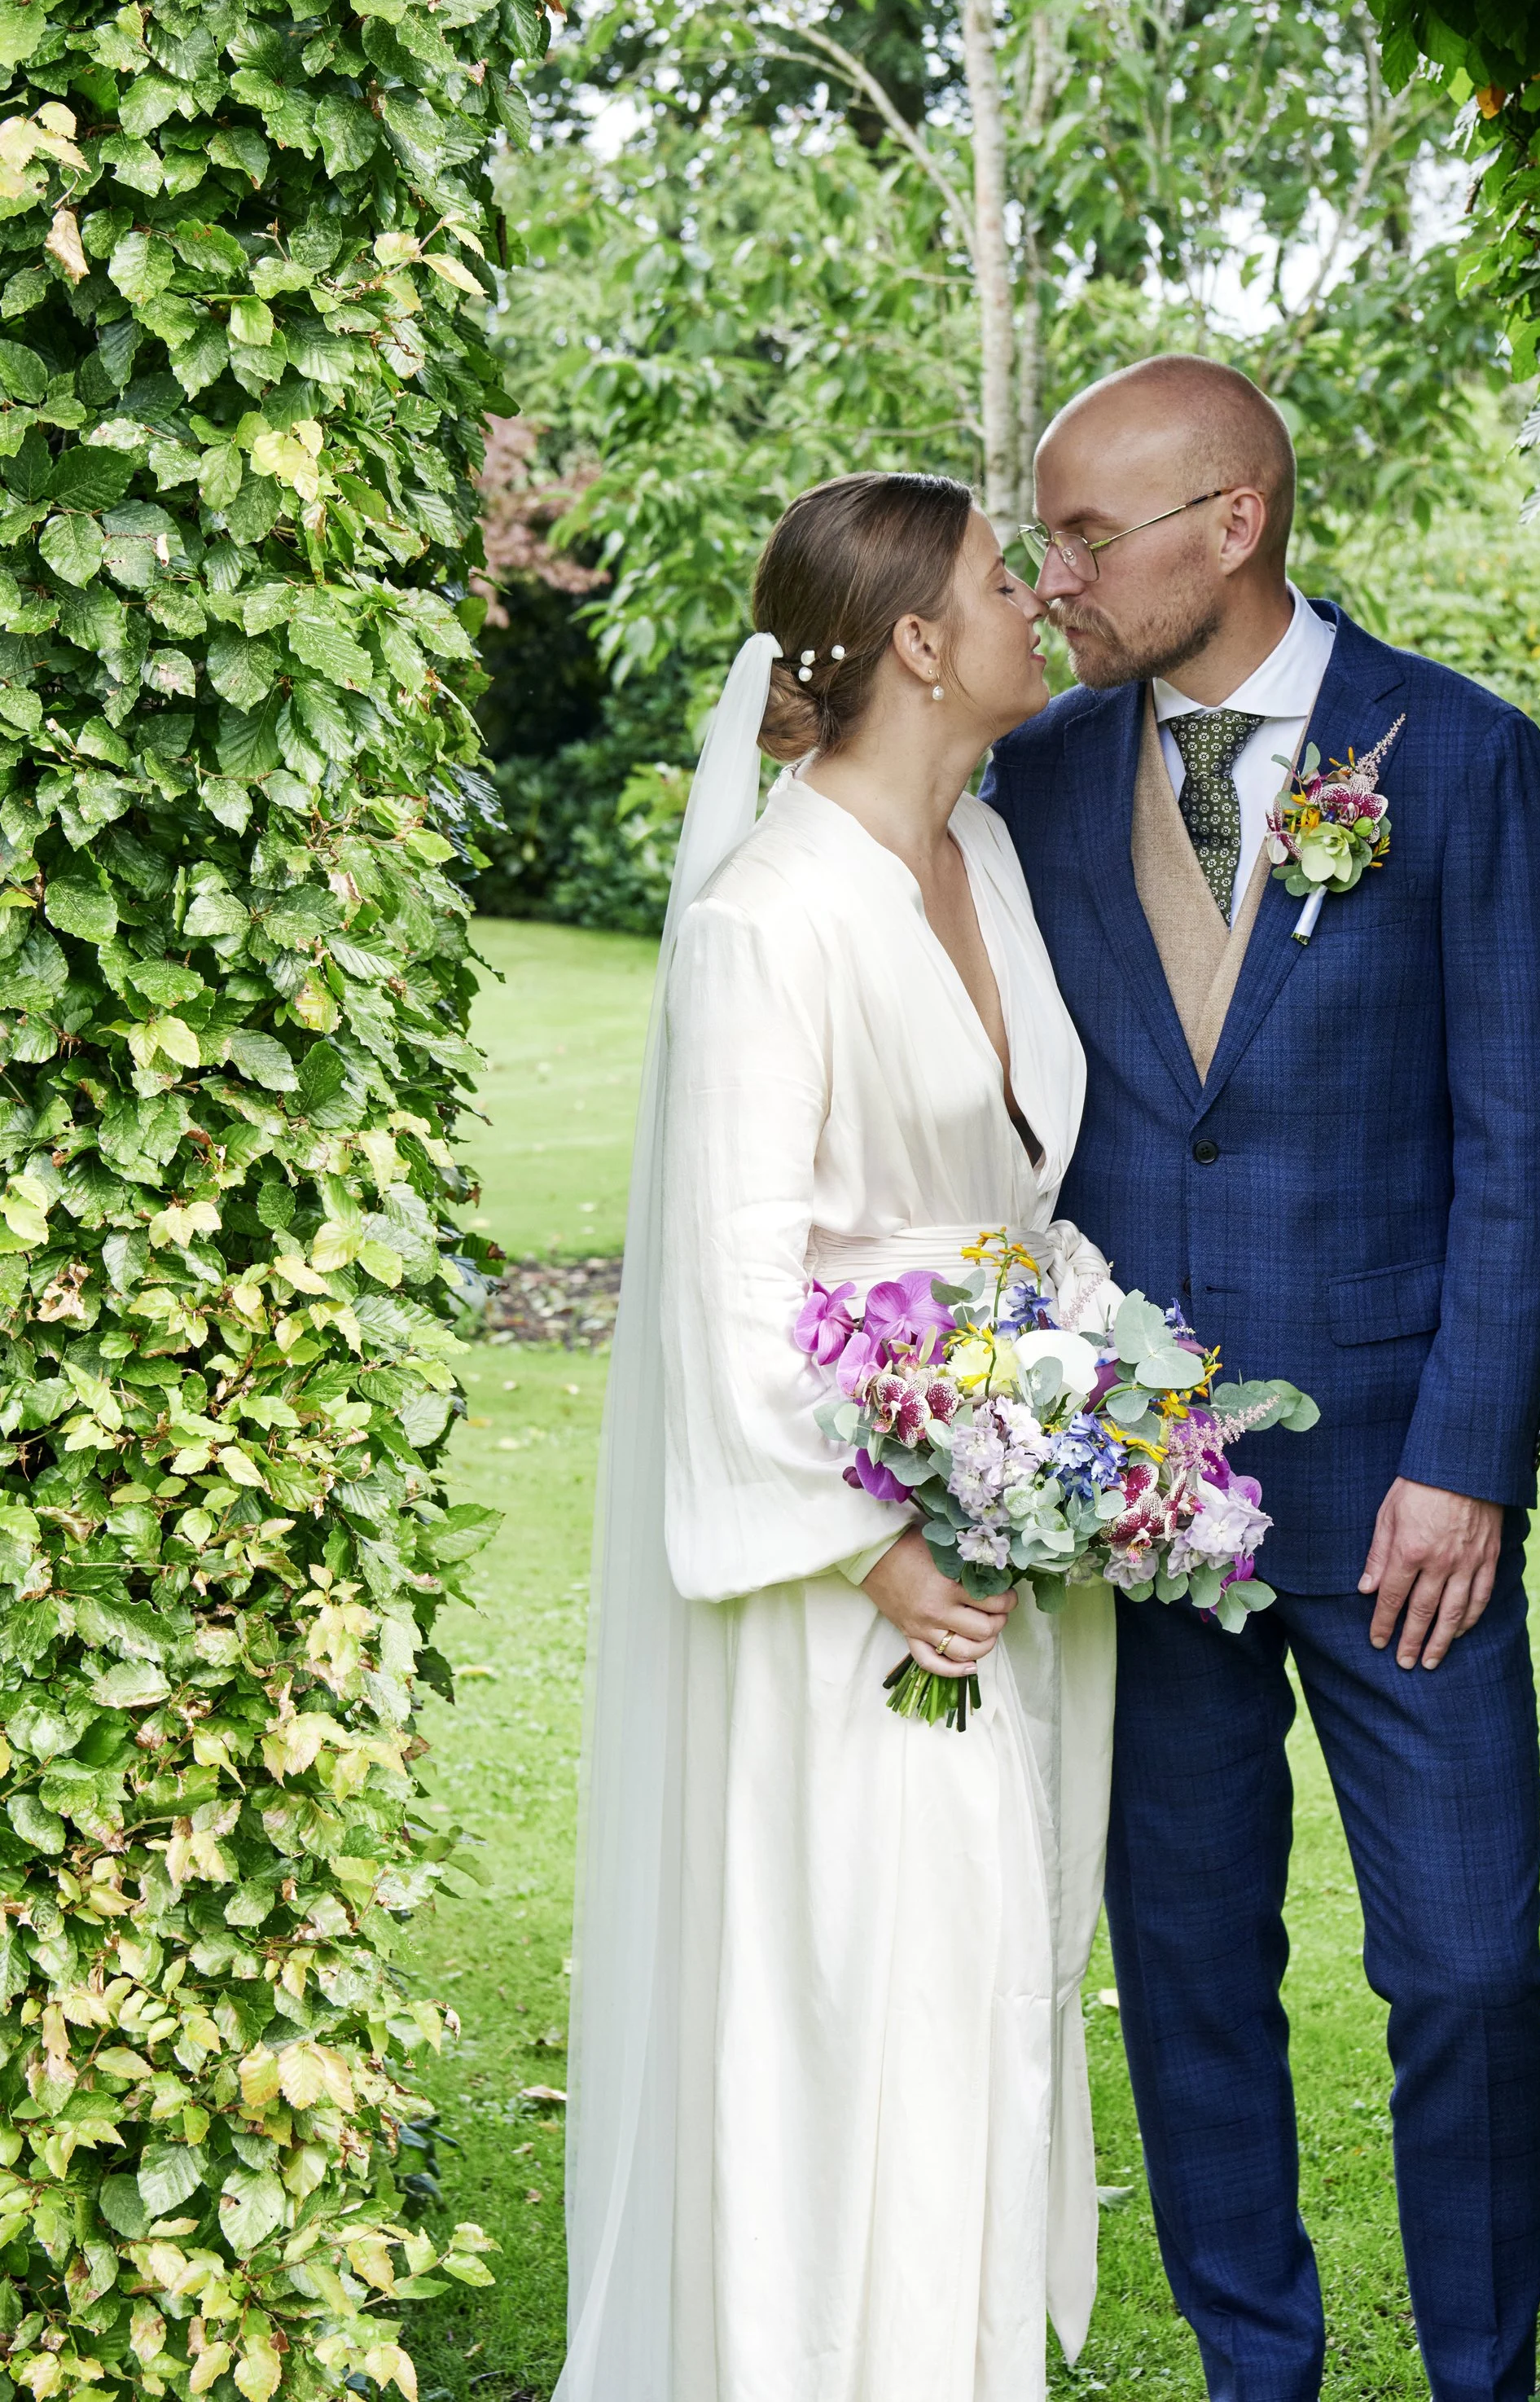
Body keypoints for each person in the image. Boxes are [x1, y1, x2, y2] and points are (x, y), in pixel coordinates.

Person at [985, 353, 1540, 2402]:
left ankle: (1482, 2376)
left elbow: (1519, 1138)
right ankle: (1261, 2369)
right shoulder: (1043, 778)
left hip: (1400, 1504)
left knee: (1466, 1970)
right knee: (1186, 1975)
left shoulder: (1469, 759)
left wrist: (1469, 1459)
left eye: (1085, 536)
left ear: (1228, 523)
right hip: (1139, 1499)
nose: (1053, 574)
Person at [553, 472, 1117, 2402]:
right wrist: (882, 1541)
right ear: (917, 643)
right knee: (854, 2003)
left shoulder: (991, 865)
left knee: (978, 1994)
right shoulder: (763, 924)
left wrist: (1082, 1402)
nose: (1036, 597)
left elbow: (1020, 1201)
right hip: (846, 1584)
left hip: (993, 1525)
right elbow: (723, 1298)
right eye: (994, 578)